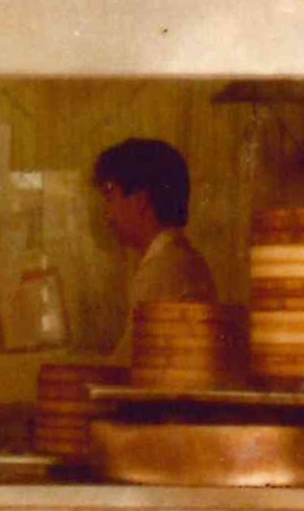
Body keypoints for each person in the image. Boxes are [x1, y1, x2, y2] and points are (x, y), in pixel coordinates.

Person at [92, 137, 218, 359]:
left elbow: (127, 368)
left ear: (140, 201)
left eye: (110, 197)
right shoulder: (181, 260)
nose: (107, 214)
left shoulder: (164, 270)